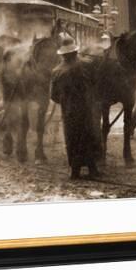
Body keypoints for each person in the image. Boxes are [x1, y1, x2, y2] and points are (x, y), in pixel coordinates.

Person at [51, 35, 100, 179]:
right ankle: (92, 169)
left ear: (63, 55)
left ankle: (75, 171)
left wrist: (66, 101)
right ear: (74, 53)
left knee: (71, 138)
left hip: (69, 111)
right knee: (88, 137)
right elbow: (95, 81)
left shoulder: (56, 71)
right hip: (86, 108)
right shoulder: (85, 65)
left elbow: (53, 96)